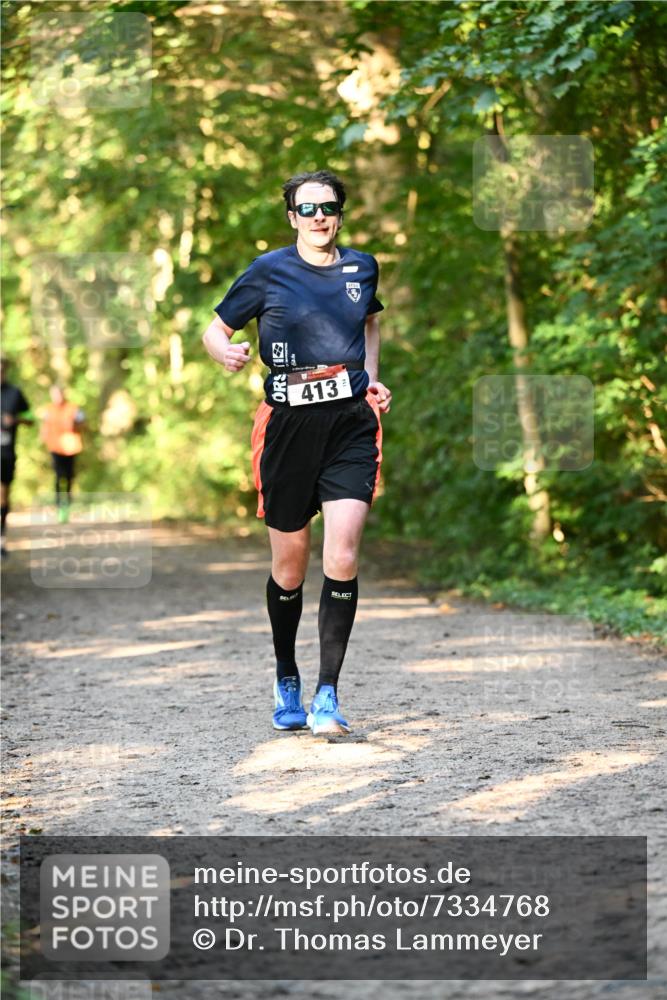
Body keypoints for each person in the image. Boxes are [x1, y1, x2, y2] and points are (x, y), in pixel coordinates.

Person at [203, 169, 392, 735]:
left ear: (339, 214)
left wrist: (370, 378)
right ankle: (286, 674)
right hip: (286, 427)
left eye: (327, 207)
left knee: (343, 557)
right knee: (289, 568)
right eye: (306, 209)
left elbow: (371, 322)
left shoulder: (362, 267)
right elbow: (215, 330)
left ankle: (327, 694)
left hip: (350, 424)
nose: (318, 217)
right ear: (292, 217)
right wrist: (225, 354)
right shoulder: (269, 270)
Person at [1, 357, 33, 557]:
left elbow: (31, 418)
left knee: (3, 496)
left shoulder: (15, 393)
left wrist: (16, 419)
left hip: (6, 453)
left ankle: (1, 539)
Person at [40, 385, 85, 523]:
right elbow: (44, 426)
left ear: (63, 394)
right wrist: (43, 439)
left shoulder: (73, 408)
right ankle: (59, 505)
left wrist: (76, 425)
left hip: (71, 447)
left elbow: (82, 421)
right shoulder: (48, 409)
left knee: (69, 476)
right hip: (55, 448)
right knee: (59, 476)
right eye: (54, 395)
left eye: (59, 394)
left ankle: (68, 504)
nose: (57, 397)